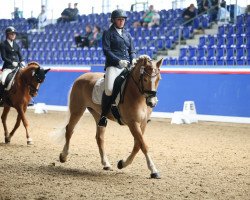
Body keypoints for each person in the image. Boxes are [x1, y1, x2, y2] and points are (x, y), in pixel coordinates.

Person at [98, 9, 136, 127]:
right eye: (119, 19)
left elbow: (132, 50)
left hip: (127, 66)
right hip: (113, 66)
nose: (121, 21)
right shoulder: (108, 33)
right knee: (109, 89)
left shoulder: (127, 34)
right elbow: (107, 51)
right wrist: (119, 61)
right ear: (114, 20)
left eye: (123, 19)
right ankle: (103, 116)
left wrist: (133, 58)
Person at [0, 26, 25, 101]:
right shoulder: (3, 44)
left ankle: (27, 97)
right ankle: (1, 97)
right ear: (7, 35)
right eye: (11, 34)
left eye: (14, 34)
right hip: (8, 67)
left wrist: (22, 61)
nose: (13, 35)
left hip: (17, 67)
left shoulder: (16, 45)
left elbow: (20, 55)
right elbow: (3, 57)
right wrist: (11, 62)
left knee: (26, 79)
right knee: (2, 80)